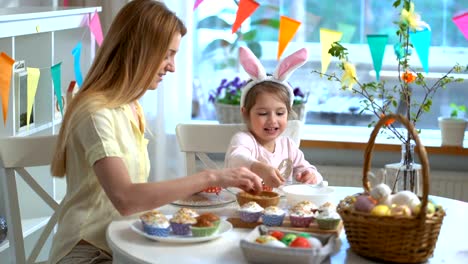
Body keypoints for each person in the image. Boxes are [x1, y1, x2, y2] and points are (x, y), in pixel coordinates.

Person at [48, 1, 263, 263]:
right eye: (167, 54)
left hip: (124, 243)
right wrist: (209, 176)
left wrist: (198, 191)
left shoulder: (130, 107)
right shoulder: (96, 113)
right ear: (139, 50)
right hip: (90, 253)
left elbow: (134, 190)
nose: (172, 66)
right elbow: (126, 198)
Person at [225, 46, 323, 189]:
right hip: (242, 207)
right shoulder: (244, 140)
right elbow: (236, 159)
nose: (272, 120)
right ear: (245, 113)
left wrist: (310, 175)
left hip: (281, 209)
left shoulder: (289, 147)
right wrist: (258, 168)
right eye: (263, 113)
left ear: (288, 113)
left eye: (280, 113)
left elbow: (311, 173)